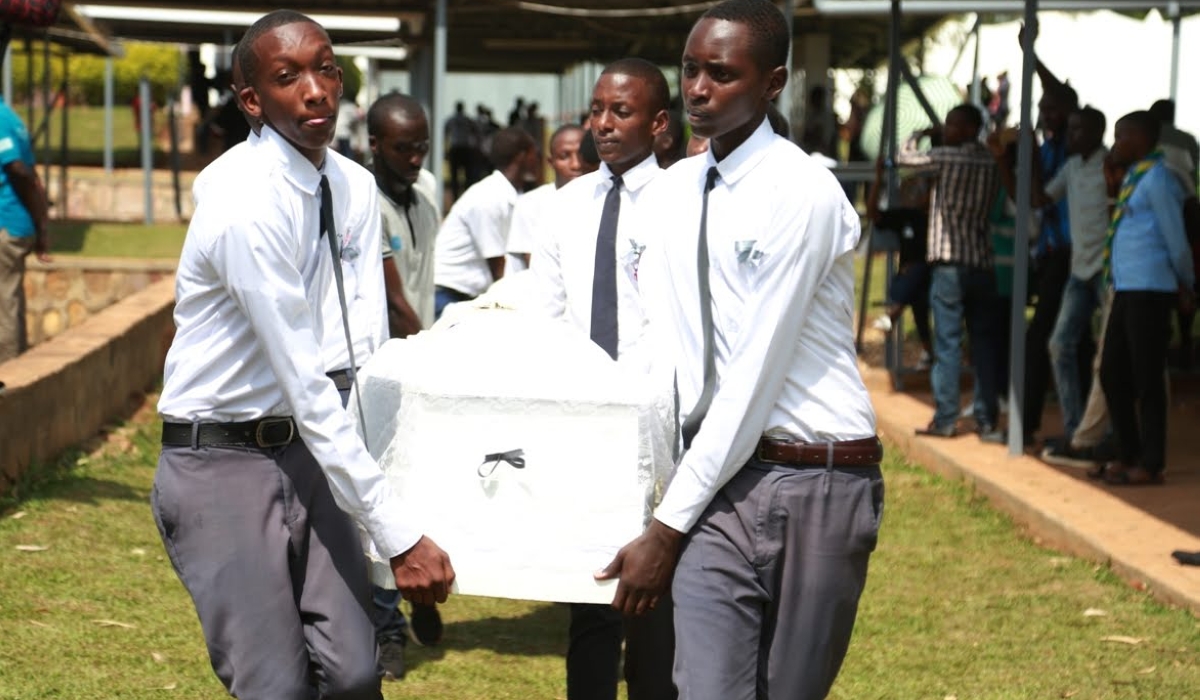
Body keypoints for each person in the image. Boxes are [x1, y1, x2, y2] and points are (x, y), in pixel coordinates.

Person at [151, 12, 454, 699]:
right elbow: (304, 375)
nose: (316, 90)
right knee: (275, 687)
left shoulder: (351, 184)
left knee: (352, 672)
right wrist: (398, 536)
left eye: (325, 69)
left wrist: (385, 473)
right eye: (287, 78)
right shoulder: (242, 205)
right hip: (221, 460)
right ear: (252, 100)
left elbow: (361, 342)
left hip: (313, 451)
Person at [599, 3, 883, 699]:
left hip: (817, 478)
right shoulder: (672, 192)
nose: (697, 89)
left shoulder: (803, 192)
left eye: (722, 74)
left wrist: (667, 528)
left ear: (773, 82)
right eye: (691, 70)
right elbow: (655, 346)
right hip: (718, 479)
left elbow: (755, 375)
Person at [529, 58, 674, 700]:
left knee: (654, 605)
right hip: (586, 424)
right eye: (597, 111)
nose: (604, 125)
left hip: (663, 426)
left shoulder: (682, 203)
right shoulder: (566, 207)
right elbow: (549, 319)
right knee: (588, 598)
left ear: (660, 124)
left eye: (623, 111)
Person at [366, 93, 445, 676]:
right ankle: (386, 625)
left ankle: (424, 594)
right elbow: (395, 305)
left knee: (423, 490)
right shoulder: (362, 205)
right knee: (378, 502)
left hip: (421, 363)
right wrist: (429, 353)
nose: (415, 157)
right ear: (375, 145)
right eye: (403, 147)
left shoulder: (425, 201)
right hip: (384, 370)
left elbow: (422, 288)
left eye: (422, 146)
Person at [1091, 111, 1193, 486]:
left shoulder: (1160, 180)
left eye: (1122, 136)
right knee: (1112, 372)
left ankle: (1151, 463)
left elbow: (1175, 237)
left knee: (1147, 377)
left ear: (1142, 138)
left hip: (1152, 288)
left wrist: (1186, 282)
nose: (1116, 143)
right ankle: (1127, 451)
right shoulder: (1135, 176)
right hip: (1127, 286)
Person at [896, 104, 1002, 441]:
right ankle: (986, 419)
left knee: (948, 344)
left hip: (949, 264)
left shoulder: (946, 156)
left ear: (971, 129)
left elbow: (903, 157)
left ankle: (945, 418)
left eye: (954, 125)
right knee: (984, 345)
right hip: (982, 263)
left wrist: (920, 134)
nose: (948, 130)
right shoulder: (989, 160)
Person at [1029, 107, 1110, 451]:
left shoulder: (1111, 165)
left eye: (1078, 130)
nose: (1071, 136)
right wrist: (1030, 157)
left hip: (1107, 271)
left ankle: (1110, 433)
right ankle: (1076, 429)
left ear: (1096, 133)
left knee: (1111, 355)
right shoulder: (1072, 166)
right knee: (1059, 344)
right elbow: (1040, 199)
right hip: (1080, 271)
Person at [432, 127, 538, 319]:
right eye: (534, 154)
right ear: (522, 156)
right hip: (449, 296)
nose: (538, 161)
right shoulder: (488, 198)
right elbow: (498, 267)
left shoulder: (514, 196)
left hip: (472, 296)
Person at [0, 94, 49, 364]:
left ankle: (9, 373)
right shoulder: (10, 116)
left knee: (4, 303)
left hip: (6, 221)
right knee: (11, 299)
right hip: (18, 222)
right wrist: (41, 224)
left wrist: (41, 223)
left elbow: (19, 169)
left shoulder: (0, 119)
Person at [506, 124, 585, 274]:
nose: (576, 164)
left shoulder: (607, 199)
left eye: (582, 155)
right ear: (551, 162)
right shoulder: (530, 205)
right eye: (564, 156)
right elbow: (539, 273)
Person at [445, 101, 480, 200]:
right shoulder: (467, 119)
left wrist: (446, 149)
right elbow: (476, 133)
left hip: (455, 148)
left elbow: (445, 134)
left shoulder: (451, 120)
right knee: (467, 175)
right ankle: (466, 197)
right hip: (465, 148)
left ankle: (455, 197)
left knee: (454, 176)